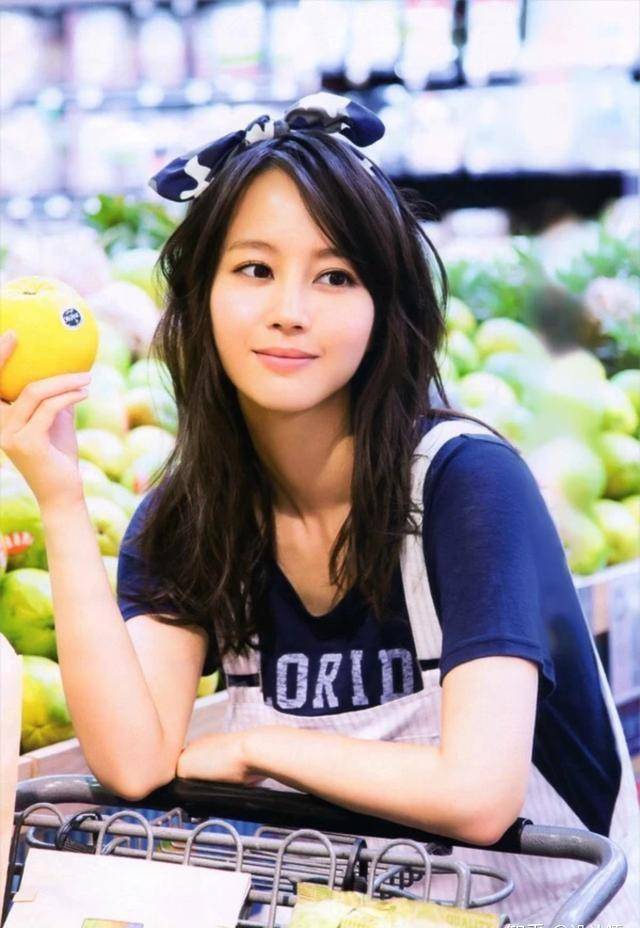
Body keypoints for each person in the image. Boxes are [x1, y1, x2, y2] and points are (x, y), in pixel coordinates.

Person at [1, 93, 637, 924]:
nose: (290, 311)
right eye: (254, 269)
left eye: (335, 276)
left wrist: (257, 746)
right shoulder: (191, 515)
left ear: (385, 306)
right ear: (200, 293)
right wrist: (59, 494)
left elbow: (480, 794)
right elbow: (133, 760)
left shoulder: (467, 486)